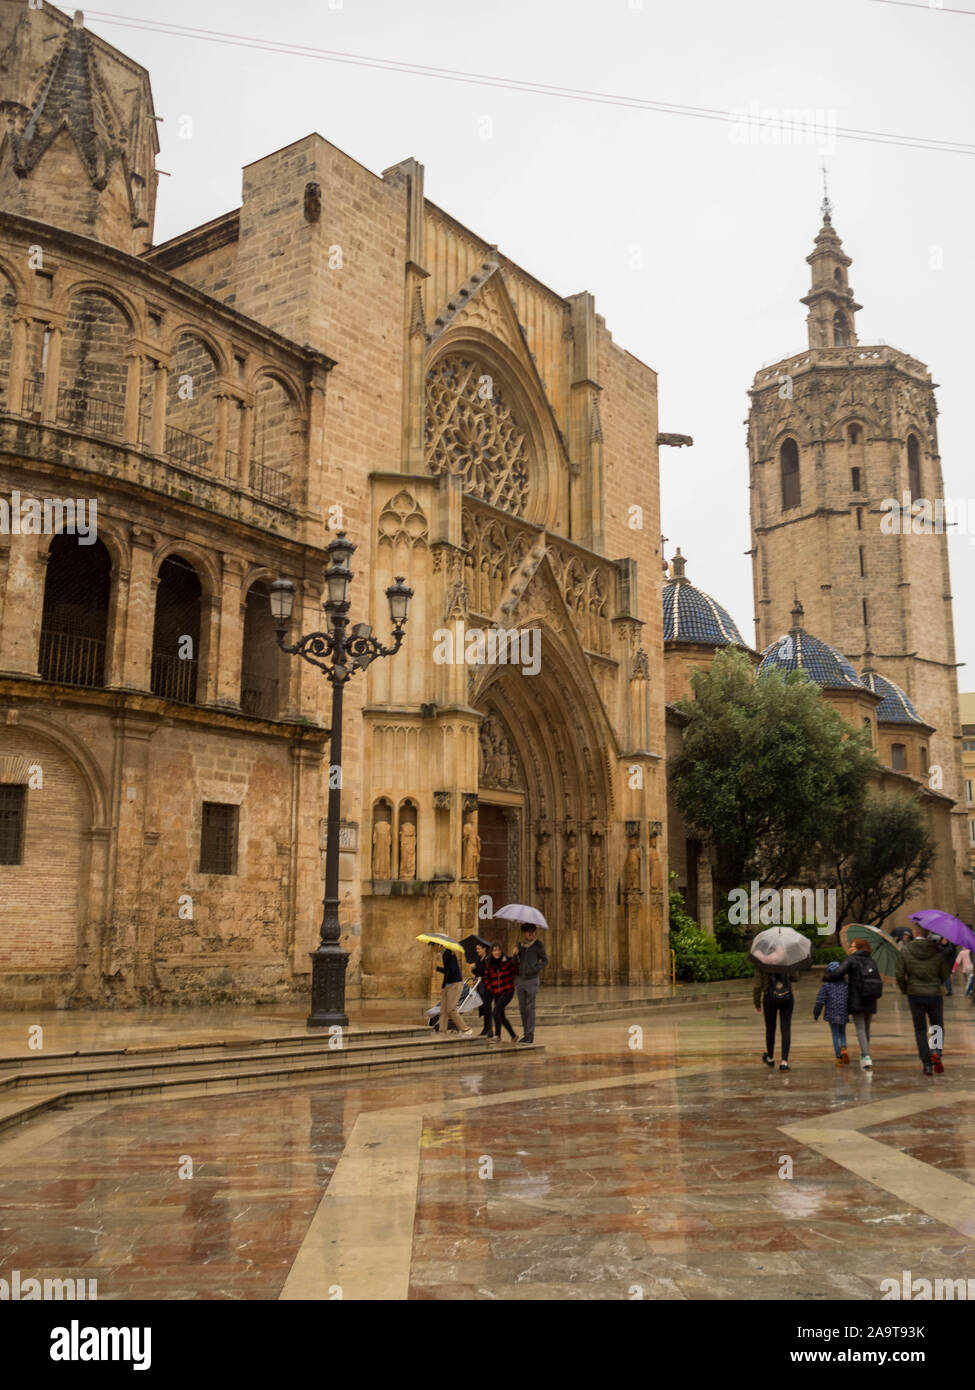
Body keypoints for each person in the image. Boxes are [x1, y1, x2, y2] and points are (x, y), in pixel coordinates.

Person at [896, 929, 951, 1075]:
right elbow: (945, 974)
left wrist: (905, 989)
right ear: (928, 933)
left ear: (915, 931)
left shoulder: (906, 949)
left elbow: (900, 974)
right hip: (934, 993)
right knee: (937, 1026)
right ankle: (936, 1052)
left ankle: (926, 1064)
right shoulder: (937, 950)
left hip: (915, 994)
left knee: (920, 1029)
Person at [832, 938, 882, 1071]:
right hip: (871, 997)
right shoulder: (871, 960)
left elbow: (838, 973)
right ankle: (864, 1055)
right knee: (866, 1028)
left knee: (860, 1028)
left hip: (857, 998)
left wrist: (828, 976)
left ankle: (866, 1056)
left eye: (852, 946)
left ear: (859, 948)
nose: (850, 949)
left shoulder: (851, 960)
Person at [753, 966, 798, 1071]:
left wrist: (757, 1002)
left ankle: (770, 1058)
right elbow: (795, 977)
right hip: (787, 996)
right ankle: (784, 1062)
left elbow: (757, 984)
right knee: (786, 1028)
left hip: (769, 997)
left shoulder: (761, 960)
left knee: (770, 1028)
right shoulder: (787, 958)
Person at [512, 924, 548, 1045]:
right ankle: (525, 1034)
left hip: (532, 980)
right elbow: (515, 963)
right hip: (521, 980)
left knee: (530, 1008)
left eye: (531, 931)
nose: (530, 933)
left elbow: (545, 960)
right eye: (527, 931)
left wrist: (535, 968)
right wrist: (515, 954)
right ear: (524, 933)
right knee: (522, 1009)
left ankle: (530, 1035)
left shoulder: (538, 945)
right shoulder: (520, 945)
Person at [813, 960, 850, 1067]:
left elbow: (820, 1001)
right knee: (842, 1032)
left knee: (835, 1034)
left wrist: (816, 1014)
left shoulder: (826, 986)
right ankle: (844, 1048)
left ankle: (838, 1058)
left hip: (831, 1013)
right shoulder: (845, 985)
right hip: (843, 1011)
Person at [482, 942, 518, 1040]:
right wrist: (490, 987)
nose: (497, 952)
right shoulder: (489, 962)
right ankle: (513, 1035)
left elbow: (516, 970)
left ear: (501, 951)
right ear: (492, 952)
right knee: (500, 1015)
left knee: (496, 1012)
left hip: (507, 991)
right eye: (494, 950)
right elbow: (486, 977)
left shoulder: (508, 961)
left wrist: (515, 956)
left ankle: (497, 1035)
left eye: (498, 950)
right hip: (496, 992)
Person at [436, 944, 473, 1038]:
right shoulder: (445, 953)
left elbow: (451, 971)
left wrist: (438, 968)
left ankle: (466, 1029)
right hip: (448, 984)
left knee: (450, 1009)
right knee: (443, 1009)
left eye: (433, 946)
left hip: (455, 984)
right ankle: (442, 1031)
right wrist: (443, 986)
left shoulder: (448, 953)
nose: (433, 948)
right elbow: (448, 971)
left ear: (438, 945)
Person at [471, 941, 493, 1037]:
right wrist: (473, 969)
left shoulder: (488, 959)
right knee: (483, 1008)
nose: (477, 951)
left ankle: (490, 1030)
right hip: (481, 987)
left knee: (487, 1008)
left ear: (484, 949)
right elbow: (477, 973)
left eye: (479, 949)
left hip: (488, 987)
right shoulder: (479, 960)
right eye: (476, 949)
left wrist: (483, 977)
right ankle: (486, 1028)